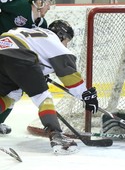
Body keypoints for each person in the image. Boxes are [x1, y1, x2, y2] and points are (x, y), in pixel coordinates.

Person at [0, 20, 98, 155]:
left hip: (3, 51)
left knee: (12, 95)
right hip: (21, 56)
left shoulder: (30, 32)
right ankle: (57, 136)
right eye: (67, 40)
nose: (66, 43)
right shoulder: (52, 38)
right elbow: (67, 72)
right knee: (43, 98)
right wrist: (85, 95)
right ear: (61, 35)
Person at [0, 0, 55, 134]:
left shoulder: (42, 25)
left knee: (15, 91)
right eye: (47, 2)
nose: (49, 6)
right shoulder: (20, 4)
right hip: (2, 49)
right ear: (38, 1)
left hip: (10, 59)